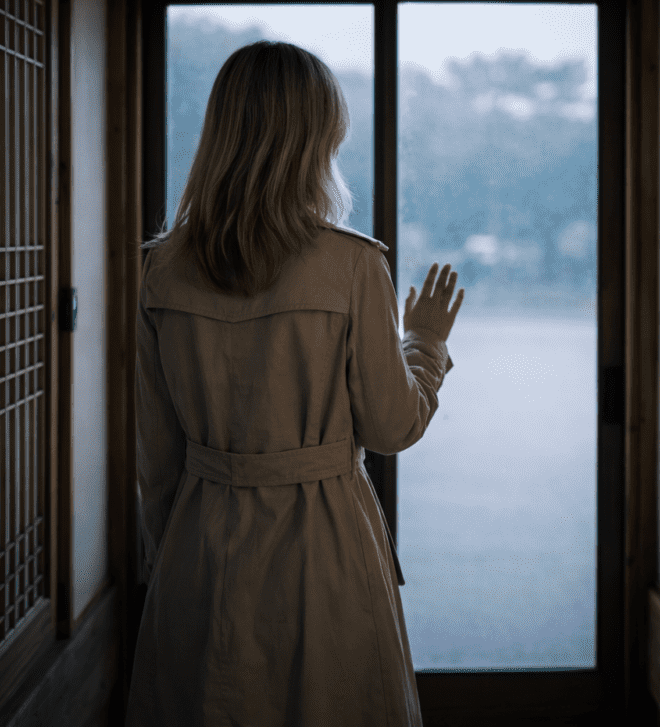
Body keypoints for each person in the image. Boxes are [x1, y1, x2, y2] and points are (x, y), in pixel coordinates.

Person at [127, 40, 464, 726]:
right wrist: (424, 340)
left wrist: (174, 555)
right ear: (316, 141)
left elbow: (154, 456)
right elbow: (392, 427)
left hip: (199, 539)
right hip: (325, 542)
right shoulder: (352, 265)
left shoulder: (157, 271)